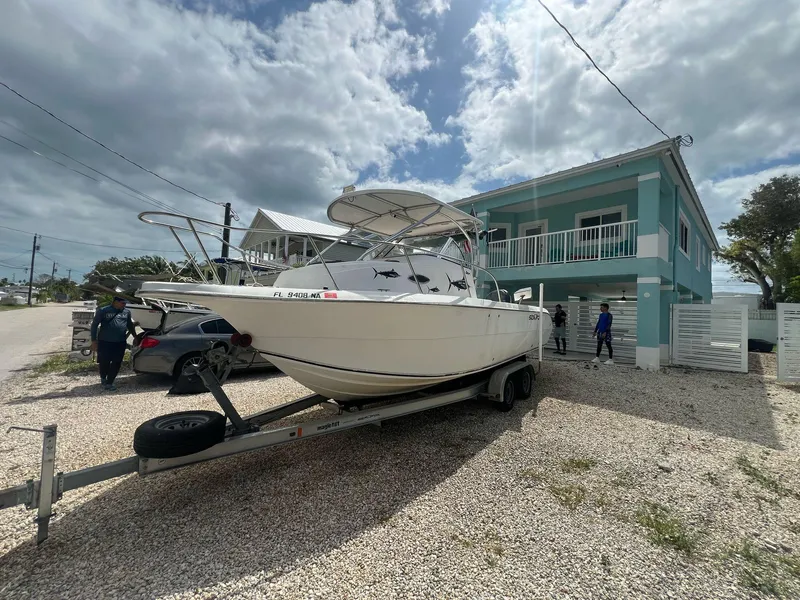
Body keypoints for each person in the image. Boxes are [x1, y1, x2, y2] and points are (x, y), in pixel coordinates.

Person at [90, 296, 137, 391]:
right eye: (122, 303)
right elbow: (94, 325)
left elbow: (129, 325)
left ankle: (110, 382)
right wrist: (94, 340)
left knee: (117, 362)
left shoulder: (126, 312)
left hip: (120, 342)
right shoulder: (103, 311)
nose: (124, 305)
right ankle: (103, 377)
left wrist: (135, 336)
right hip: (105, 341)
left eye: (125, 303)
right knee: (104, 362)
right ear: (115, 302)